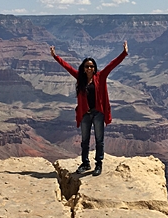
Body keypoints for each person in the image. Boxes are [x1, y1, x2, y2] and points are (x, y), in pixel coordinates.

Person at [50, 41, 128, 176]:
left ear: (95, 68)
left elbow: (112, 64)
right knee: (84, 140)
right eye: (87, 66)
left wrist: (124, 53)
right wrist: (55, 56)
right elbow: (67, 67)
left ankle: (99, 164)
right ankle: (85, 163)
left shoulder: (101, 77)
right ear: (84, 68)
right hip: (85, 114)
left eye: (92, 66)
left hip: (98, 113)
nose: (89, 68)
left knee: (99, 140)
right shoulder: (80, 79)